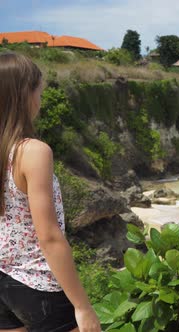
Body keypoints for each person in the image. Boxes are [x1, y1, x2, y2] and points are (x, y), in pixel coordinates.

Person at [0, 52, 101, 332]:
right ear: (24, 96)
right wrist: (83, 306)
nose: (40, 101)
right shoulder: (33, 151)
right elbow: (49, 236)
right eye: (38, 92)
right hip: (37, 283)